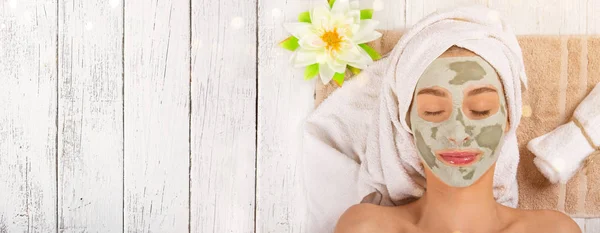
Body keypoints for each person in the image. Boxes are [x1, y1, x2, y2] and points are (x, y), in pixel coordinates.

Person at [333, 46, 582, 233]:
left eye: (481, 109)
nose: (457, 133)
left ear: (509, 119)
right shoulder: (367, 228)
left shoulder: (553, 230)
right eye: (432, 111)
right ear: (407, 123)